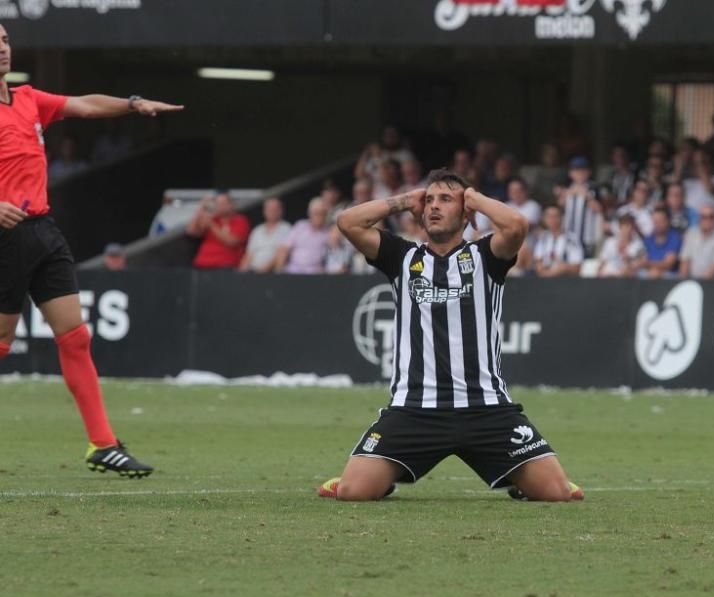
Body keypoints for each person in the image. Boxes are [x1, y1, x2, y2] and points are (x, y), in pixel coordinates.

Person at [317, 169, 582, 502]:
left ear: (465, 211)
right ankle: (385, 475)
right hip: (415, 409)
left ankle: (522, 478)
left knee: (557, 494)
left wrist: (474, 198)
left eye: (445, 199)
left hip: (486, 409)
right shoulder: (402, 256)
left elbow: (516, 225)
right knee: (353, 491)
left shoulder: (486, 255)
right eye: (429, 200)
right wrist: (403, 201)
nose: (433, 206)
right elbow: (347, 222)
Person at [0, 22, 182, 476]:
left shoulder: (27, 99)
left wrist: (132, 103)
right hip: (4, 238)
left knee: (75, 337)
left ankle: (102, 443)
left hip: (42, 232)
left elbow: (82, 105)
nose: (2, 49)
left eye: (3, 40)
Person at [187, 191, 250, 270]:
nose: (220, 206)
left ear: (231, 205)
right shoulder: (213, 218)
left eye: (223, 203)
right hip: (202, 264)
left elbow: (232, 241)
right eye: (218, 204)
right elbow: (191, 231)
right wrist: (201, 206)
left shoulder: (240, 220)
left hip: (225, 267)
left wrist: (211, 225)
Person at [274, 197, 330, 275]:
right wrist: (279, 271)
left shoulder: (328, 232)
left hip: (315, 275)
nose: (319, 216)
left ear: (326, 215)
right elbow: (284, 248)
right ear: (309, 213)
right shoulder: (300, 226)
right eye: (316, 213)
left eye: (322, 213)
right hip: (292, 272)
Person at [678, 205, 714, 280]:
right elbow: (685, 261)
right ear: (699, 219)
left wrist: (701, 284)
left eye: (711, 216)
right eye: (704, 217)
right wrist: (683, 282)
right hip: (692, 280)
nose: (707, 220)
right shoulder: (691, 233)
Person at [239, 198, 291, 273]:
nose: (272, 212)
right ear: (264, 211)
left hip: (272, 273)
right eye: (269, 209)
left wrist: (262, 271)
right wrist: (241, 274)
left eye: (275, 209)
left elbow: (281, 254)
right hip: (253, 272)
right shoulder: (257, 230)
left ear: (281, 211)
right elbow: (249, 255)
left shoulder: (287, 228)